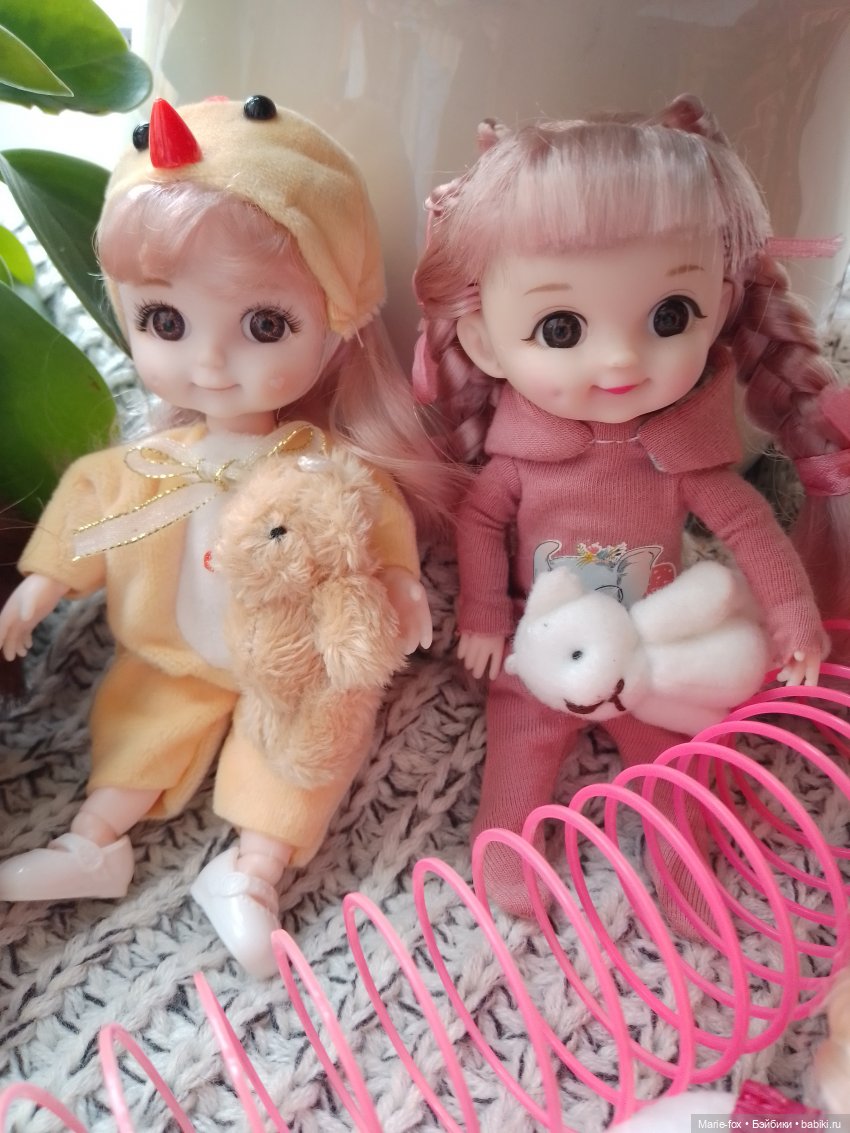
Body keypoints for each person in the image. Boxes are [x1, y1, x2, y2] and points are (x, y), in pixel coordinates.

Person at [0, 95, 452, 977]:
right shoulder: (156, 460)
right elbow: (93, 503)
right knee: (139, 718)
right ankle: (94, 840)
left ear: (336, 328)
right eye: (163, 322)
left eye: (263, 325)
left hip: (284, 662)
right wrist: (44, 581)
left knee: (303, 748)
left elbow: (372, 513)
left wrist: (400, 581)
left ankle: (252, 871)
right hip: (173, 651)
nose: (208, 362)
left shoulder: (316, 462)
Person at [412, 95, 850, 921]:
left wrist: (794, 617)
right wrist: (484, 614)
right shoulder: (518, 458)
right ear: (483, 340)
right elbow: (478, 521)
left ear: (720, 308)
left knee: (682, 767)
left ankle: (685, 875)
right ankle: (508, 864)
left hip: (657, 654)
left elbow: (749, 524)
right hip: (540, 657)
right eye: (561, 327)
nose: (620, 360)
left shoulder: (678, 453)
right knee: (518, 760)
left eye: (668, 317)